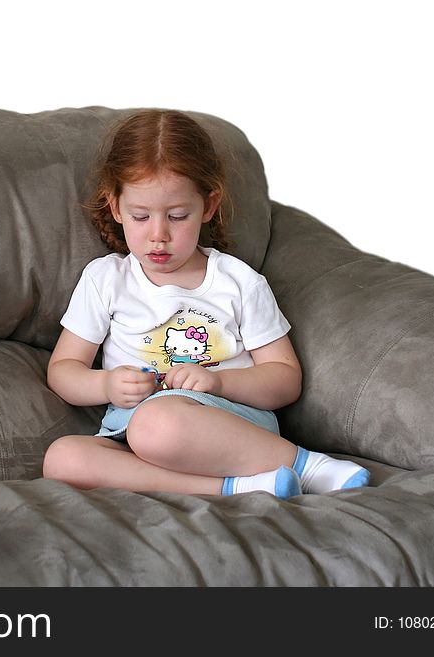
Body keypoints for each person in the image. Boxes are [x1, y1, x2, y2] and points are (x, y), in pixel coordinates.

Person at [43, 109, 370, 498]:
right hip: (130, 432)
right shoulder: (105, 280)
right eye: (140, 216)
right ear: (115, 208)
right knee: (62, 459)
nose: (158, 236)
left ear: (208, 206)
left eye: (178, 216)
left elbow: (284, 378)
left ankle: (305, 463)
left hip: (224, 427)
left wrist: (218, 381)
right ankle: (236, 488)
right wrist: (106, 383)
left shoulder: (237, 282)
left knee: (157, 426)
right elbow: (63, 371)